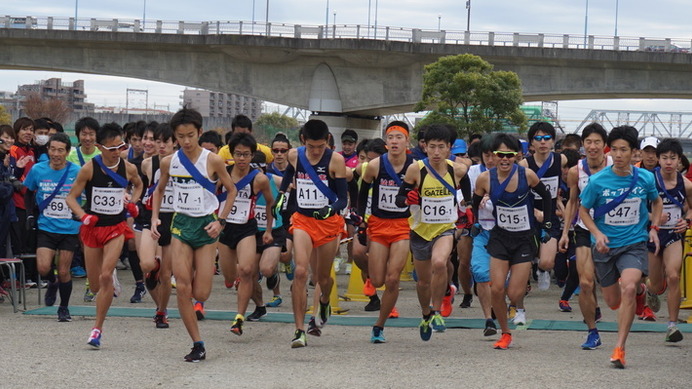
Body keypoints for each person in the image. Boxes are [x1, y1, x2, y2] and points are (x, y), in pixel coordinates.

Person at [150, 108, 237, 362]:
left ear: (199, 132)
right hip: (181, 226)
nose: (186, 141)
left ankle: (200, 293)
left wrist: (220, 222)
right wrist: (156, 216)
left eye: (190, 135)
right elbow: (159, 190)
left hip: (207, 227)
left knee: (202, 293)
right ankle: (197, 343)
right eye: (180, 136)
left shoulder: (213, 160)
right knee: (183, 287)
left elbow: (231, 191)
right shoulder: (169, 161)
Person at [579, 125, 662, 369]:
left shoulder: (645, 178)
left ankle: (620, 348)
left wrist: (654, 229)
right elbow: (584, 211)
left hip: (634, 245)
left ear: (634, 152)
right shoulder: (597, 181)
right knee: (613, 302)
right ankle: (639, 293)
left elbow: (656, 203)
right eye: (613, 149)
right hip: (604, 247)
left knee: (627, 287)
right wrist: (597, 233)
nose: (618, 155)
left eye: (623, 150)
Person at [65, 122, 144, 349]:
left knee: (106, 275)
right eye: (111, 148)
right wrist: (82, 215)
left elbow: (138, 186)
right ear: (100, 147)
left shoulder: (128, 168)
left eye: (120, 146)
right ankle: (107, 285)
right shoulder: (89, 168)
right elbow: (71, 198)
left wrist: (133, 204)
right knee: (96, 284)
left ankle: (96, 329)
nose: (116, 151)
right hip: (93, 228)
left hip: (116, 227)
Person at [473, 133, 553, 350]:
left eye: (509, 155)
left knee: (514, 293)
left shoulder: (527, 175)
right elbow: (475, 200)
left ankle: (516, 302)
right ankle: (505, 332)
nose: (504, 159)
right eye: (500, 155)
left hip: (524, 239)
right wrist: (474, 222)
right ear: (493, 156)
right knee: (496, 288)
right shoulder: (484, 179)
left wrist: (546, 224)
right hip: (499, 237)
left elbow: (546, 197)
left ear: (517, 155)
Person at [273, 119, 348, 348]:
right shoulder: (295, 155)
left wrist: (330, 209)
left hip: (327, 224)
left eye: (320, 146)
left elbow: (343, 199)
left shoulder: (336, 160)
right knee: (300, 272)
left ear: (328, 141)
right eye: (312, 146)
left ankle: (324, 301)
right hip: (303, 220)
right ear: (304, 141)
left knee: (321, 278)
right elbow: (289, 174)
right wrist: (283, 194)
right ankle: (299, 330)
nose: (315, 151)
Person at [395, 124, 469, 341]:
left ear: (449, 149)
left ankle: (436, 311)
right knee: (423, 281)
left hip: (445, 228)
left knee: (439, 263)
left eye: (441, 147)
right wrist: (408, 198)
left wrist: (470, 202)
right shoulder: (415, 169)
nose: (436, 152)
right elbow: (401, 198)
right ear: (424, 147)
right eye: (432, 147)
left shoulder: (457, 169)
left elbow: (466, 185)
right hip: (420, 230)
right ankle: (426, 313)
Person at [358, 121, 414, 343]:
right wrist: (361, 220)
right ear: (386, 142)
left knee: (392, 279)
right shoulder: (374, 165)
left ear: (407, 142)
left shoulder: (414, 166)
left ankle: (379, 326)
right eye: (390, 137)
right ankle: (372, 281)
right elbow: (362, 192)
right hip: (379, 225)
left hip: (402, 226)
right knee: (379, 279)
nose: (394, 141)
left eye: (399, 137)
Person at [558, 123, 611, 350]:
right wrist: (564, 233)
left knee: (613, 285)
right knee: (586, 282)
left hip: (612, 228)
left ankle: (638, 293)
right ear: (583, 144)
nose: (592, 146)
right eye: (588, 142)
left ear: (604, 145)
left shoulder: (615, 165)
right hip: (582, 229)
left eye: (597, 142)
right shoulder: (575, 171)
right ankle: (592, 332)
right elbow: (572, 202)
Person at [218, 132, 273, 335]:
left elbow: (269, 202)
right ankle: (236, 282)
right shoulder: (222, 173)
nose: (242, 159)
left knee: (248, 270)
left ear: (252, 156)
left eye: (246, 155)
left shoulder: (259, 179)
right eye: (238, 154)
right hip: (225, 229)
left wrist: (267, 229)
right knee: (231, 277)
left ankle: (239, 318)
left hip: (246, 228)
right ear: (232, 154)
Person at [23, 133, 80, 321]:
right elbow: (29, 192)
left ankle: (63, 308)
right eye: (53, 149)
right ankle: (51, 281)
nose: (56, 154)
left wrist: (81, 212)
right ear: (48, 150)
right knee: (42, 267)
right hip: (46, 226)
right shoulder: (38, 170)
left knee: (64, 270)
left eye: (60, 150)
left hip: (69, 228)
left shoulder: (77, 172)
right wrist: (30, 214)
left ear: (67, 152)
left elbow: (87, 194)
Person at [645, 138, 692, 341]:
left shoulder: (686, 184)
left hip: (673, 235)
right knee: (656, 284)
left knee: (673, 276)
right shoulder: (648, 180)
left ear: (679, 160)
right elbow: (638, 207)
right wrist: (653, 217)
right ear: (658, 159)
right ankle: (649, 290)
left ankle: (672, 325)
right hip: (653, 235)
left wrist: (686, 221)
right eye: (664, 158)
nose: (669, 162)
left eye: (673, 158)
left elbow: (690, 209)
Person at [520, 122, 567, 295]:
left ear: (553, 141)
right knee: (522, 259)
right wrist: (534, 212)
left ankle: (540, 268)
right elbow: (518, 194)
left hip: (550, 216)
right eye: (538, 138)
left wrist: (561, 202)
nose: (543, 142)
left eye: (547, 138)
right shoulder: (524, 164)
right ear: (531, 142)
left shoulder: (560, 160)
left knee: (547, 262)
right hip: (528, 215)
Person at [139, 123, 177, 328]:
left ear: (174, 143)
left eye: (166, 142)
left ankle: (161, 311)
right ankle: (153, 269)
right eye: (158, 141)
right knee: (146, 264)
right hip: (151, 217)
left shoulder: (182, 164)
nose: (161, 146)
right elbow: (143, 187)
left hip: (174, 219)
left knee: (166, 274)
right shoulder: (147, 164)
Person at [467, 133, 499, 336]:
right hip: (480, 229)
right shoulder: (473, 172)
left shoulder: (514, 174)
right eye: (485, 155)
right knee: (479, 272)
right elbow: (462, 194)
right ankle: (488, 319)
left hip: (505, 233)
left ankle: (503, 307)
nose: (490, 159)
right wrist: (471, 201)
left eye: (493, 154)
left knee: (503, 282)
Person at [66, 117, 101, 284]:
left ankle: (93, 276)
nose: (87, 138)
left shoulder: (102, 155)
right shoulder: (71, 155)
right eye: (84, 134)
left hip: (98, 206)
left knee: (94, 243)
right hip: (76, 206)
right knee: (81, 239)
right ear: (78, 135)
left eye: (91, 134)